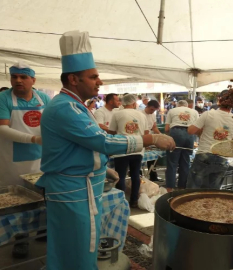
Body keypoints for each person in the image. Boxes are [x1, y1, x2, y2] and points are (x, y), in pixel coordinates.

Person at [36, 30, 175, 270]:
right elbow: (103, 141)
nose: (99, 82)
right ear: (73, 79)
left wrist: (101, 166)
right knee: (79, 247)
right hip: (73, 190)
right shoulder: (65, 108)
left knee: (76, 245)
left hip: (81, 186)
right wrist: (149, 138)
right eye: (93, 77)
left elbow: (85, 144)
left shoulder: (75, 106)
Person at [0, 62, 50, 258]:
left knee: (44, 195)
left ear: (33, 80)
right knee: (18, 202)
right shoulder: (1, 98)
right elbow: (0, 129)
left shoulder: (43, 98)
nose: (18, 80)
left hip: (42, 158)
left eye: (23, 77)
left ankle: (43, 230)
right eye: (14, 76)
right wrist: (33, 138)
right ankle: (20, 238)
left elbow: (52, 122)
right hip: (14, 160)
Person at [187, 89, 233, 189]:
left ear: (219, 100)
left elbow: (190, 131)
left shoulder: (208, 114)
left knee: (193, 190)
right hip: (222, 158)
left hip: (204, 154)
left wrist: (201, 132)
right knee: (213, 193)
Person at [108, 94, 148, 207]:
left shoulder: (117, 114)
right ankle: (134, 200)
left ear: (123, 103)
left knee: (120, 175)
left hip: (122, 148)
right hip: (138, 148)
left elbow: (111, 132)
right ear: (134, 103)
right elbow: (146, 134)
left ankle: (120, 201)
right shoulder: (141, 115)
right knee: (135, 175)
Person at [165, 100, 199, 189]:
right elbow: (197, 128)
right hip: (190, 136)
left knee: (172, 163)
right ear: (187, 106)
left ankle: (170, 188)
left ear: (177, 105)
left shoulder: (172, 111)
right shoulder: (194, 112)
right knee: (185, 162)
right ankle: (182, 188)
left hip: (176, 133)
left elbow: (166, 128)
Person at [140, 100, 162, 181]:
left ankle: (153, 176)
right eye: (152, 109)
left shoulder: (153, 115)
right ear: (147, 106)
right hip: (142, 137)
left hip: (149, 137)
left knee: (152, 159)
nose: (153, 111)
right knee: (139, 159)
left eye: (154, 110)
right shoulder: (140, 114)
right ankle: (140, 177)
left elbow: (154, 127)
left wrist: (160, 135)